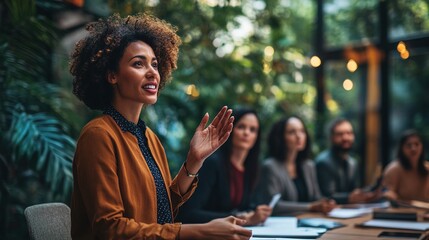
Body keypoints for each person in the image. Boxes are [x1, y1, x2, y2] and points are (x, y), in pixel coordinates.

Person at [69, 13, 252, 239]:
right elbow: (110, 228)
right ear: (112, 75)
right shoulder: (99, 135)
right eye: (138, 63)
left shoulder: (148, 136)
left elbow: (161, 211)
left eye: (155, 64)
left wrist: (193, 163)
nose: (152, 72)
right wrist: (202, 230)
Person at [177, 108, 272, 225]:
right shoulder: (213, 163)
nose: (246, 133)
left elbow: (246, 207)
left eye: (253, 130)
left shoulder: (251, 168)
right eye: (241, 127)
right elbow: (189, 214)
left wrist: (256, 213)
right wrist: (239, 218)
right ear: (230, 130)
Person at [253, 116, 336, 215]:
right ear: (280, 137)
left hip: (308, 221)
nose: (298, 136)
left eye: (302, 131)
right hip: (282, 224)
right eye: (292, 132)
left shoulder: (308, 165)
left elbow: (316, 197)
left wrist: (326, 203)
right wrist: (310, 207)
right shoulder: (270, 167)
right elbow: (272, 205)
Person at [315, 118, 380, 204]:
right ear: (331, 137)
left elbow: (355, 190)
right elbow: (327, 196)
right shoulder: (323, 162)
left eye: (349, 133)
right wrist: (350, 197)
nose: (345, 137)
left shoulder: (353, 163)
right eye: (340, 134)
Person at [382, 129, 429, 202]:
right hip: (402, 211)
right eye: (409, 145)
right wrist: (390, 195)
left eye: (417, 144)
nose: (413, 149)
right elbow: (387, 192)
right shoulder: (394, 169)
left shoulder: (427, 168)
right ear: (402, 148)